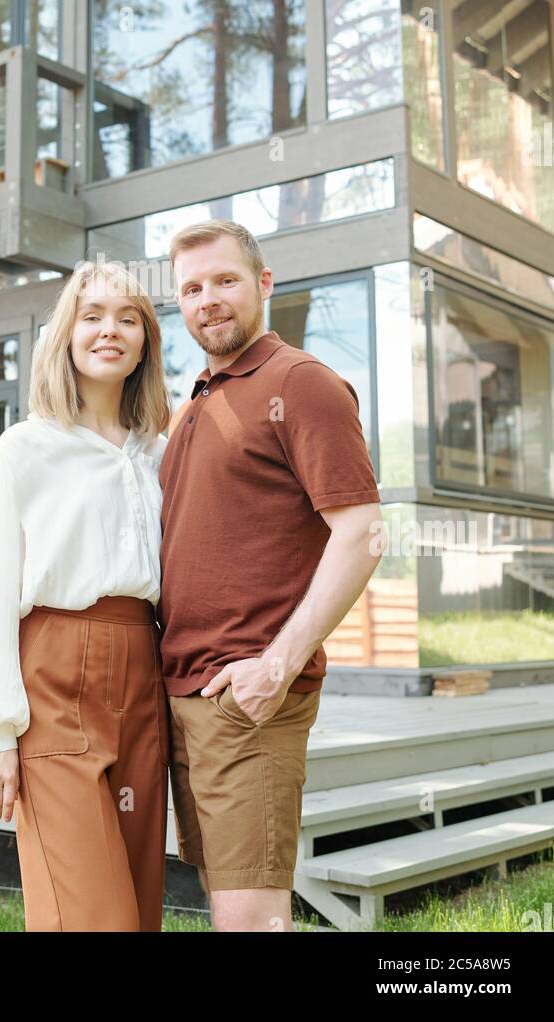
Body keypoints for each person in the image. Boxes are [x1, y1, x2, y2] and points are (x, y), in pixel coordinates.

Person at [158, 219, 386, 933]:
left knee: (252, 920)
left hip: (247, 696)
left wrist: (276, 667)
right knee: (228, 905)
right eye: (191, 289)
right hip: (186, 693)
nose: (208, 300)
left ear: (263, 284)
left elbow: (363, 532)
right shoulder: (197, 399)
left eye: (225, 280)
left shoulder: (301, 382)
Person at [0, 258, 172, 932]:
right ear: (67, 334)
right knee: (89, 917)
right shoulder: (26, 448)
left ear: (145, 342)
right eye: (93, 315)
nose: (111, 330)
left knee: (137, 908)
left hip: (144, 671)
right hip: (52, 672)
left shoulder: (159, 454)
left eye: (128, 318)